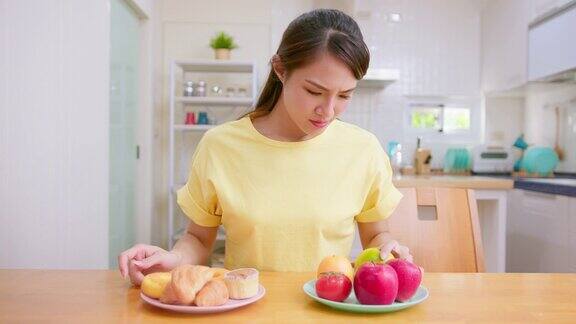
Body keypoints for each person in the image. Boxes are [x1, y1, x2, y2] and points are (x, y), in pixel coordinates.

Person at [119, 8, 411, 286]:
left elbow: (376, 235)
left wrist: (389, 249)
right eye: (314, 91)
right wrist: (174, 258)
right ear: (281, 69)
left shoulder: (363, 150)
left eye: (345, 95)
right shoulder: (220, 146)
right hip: (245, 306)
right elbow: (197, 238)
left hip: (328, 308)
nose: (329, 110)